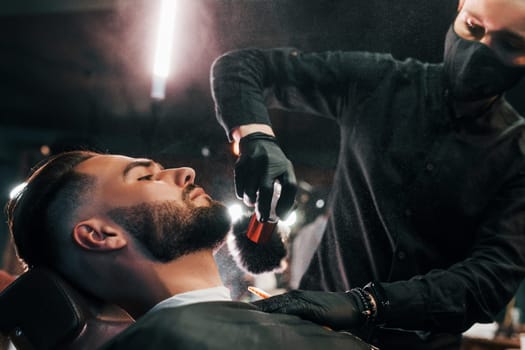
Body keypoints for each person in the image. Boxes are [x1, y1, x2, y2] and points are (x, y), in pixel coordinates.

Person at [210, 0, 525, 348]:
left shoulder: (517, 155)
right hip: (312, 336)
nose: (480, 52)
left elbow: (491, 278)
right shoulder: (380, 82)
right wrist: (256, 136)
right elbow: (241, 67)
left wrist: (367, 304)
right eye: (474, 28)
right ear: (461, 6)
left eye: (510, 45)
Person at [5, 150, 372, 350]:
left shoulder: (217, 325)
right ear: (101, 235)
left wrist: (372, 304)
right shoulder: (182, 338)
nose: (184, 172)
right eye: (146, 176)